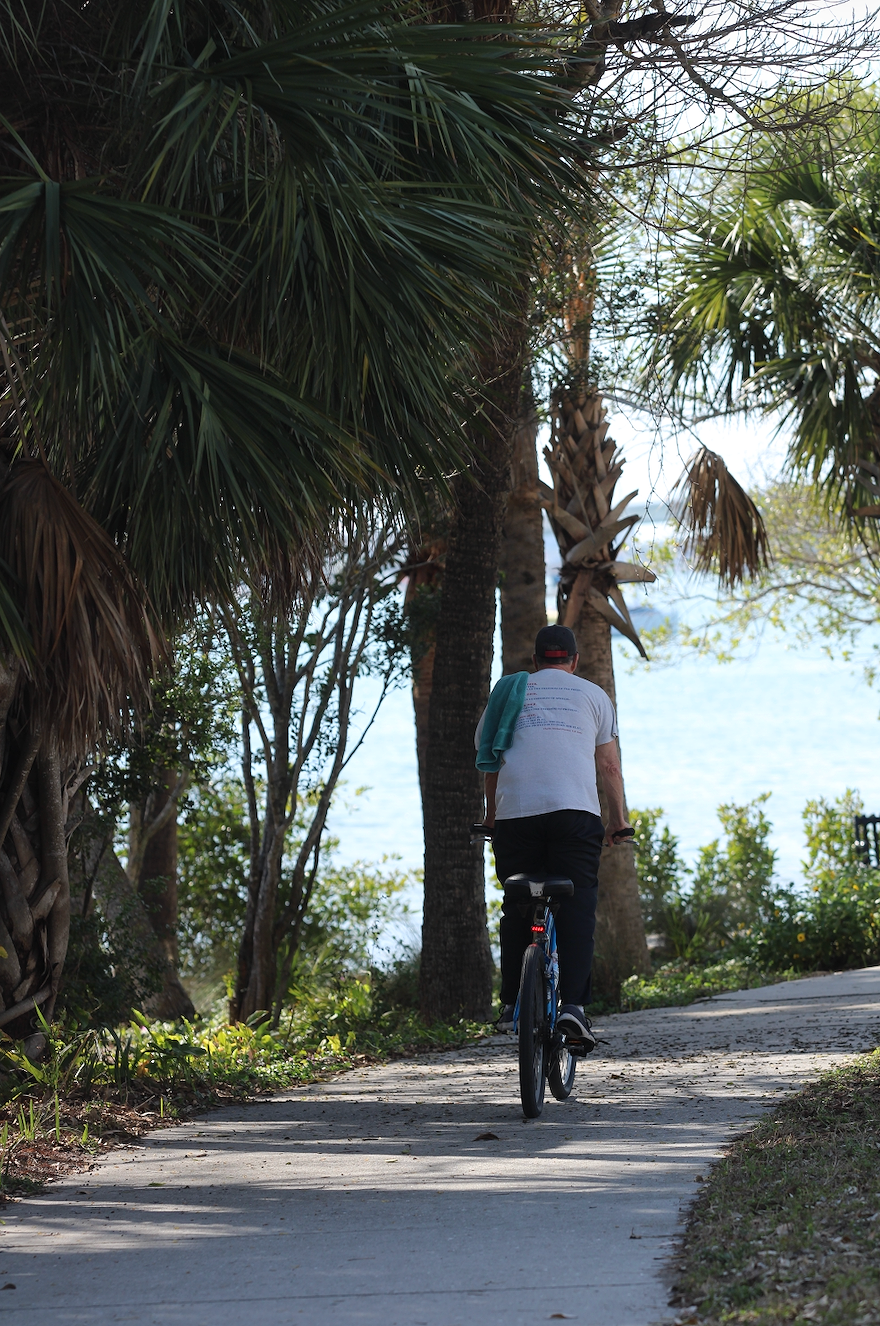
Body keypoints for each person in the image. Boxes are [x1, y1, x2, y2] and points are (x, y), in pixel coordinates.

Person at [474, 624, 631, 1049]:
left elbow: (491, 762)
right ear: (574, 661)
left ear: (535, 661)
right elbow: (610, 768)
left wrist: (492, 818)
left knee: (517, 903)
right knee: (577, 905)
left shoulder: (507, 693)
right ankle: (573, 1008)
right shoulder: (594, 696)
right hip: (575, 817)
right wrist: (617, 820)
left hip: (517, 819)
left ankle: (512, 1002)